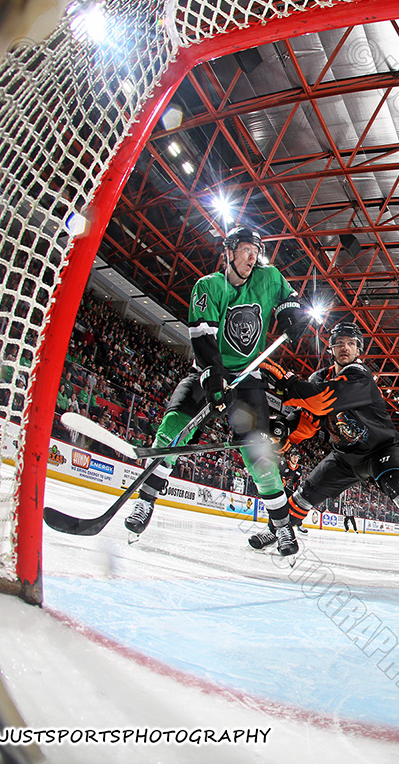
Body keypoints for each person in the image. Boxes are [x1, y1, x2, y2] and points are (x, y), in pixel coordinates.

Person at [123, 227, 308, 554]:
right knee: (171, 432)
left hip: (248, 380)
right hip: (209, 372)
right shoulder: (208, 287)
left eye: (257, 251)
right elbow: (203, 340)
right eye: (247, 249)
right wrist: (213, 378)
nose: (253, 256)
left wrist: (293, 317)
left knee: (260, 459)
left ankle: (281, 527)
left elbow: (290, 300)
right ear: (230, 251)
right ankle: (146, 501)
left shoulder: (269, 278)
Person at [252, 320, 399, 574]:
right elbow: (309, 420)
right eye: (339, 343)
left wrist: (287, 384)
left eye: (350, 343)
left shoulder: (360, 376)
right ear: (331, 348)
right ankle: (276, 531)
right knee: (304, 496)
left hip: (381, 450)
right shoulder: (319, 378)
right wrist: (285, 434)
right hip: (345, 455)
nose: (344, 347)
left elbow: (320, 401)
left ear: (359, 349)